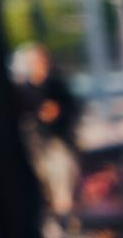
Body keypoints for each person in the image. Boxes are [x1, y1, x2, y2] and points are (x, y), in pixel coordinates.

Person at [18, 42, 81, 232]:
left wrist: (58, 112)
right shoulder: (24, 89)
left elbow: (73, 109)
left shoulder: (56, 84)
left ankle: (64, 221)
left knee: (61, 181)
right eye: (33, 62)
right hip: (36, 146)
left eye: (40, 61)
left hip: (57, 143)